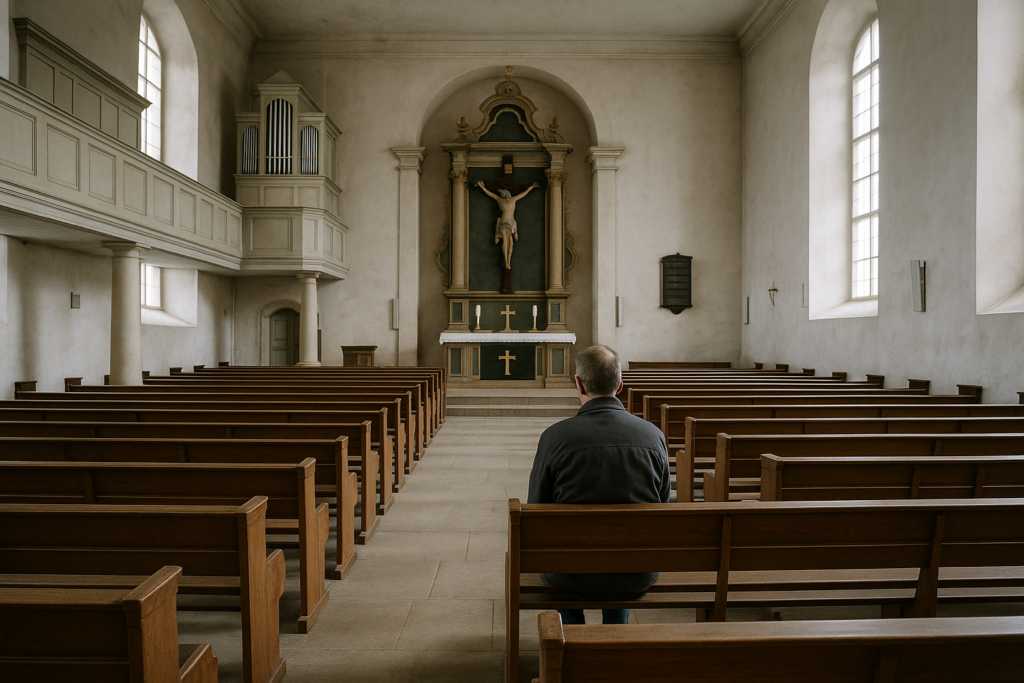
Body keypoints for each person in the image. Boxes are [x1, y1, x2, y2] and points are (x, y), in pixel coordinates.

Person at [527, 345, 671, 625]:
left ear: (578, 384)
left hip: (571, 571)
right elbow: (662, 506)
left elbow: (537, 512)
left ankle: (572, 635)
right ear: (620, 385)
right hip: (637, 571)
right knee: (621, 560)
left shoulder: (555, 437)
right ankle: (615, 632)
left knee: (560, 558)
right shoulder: (654, 436)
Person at [476, 180, 540, 269]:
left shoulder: (500, 200)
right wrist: (531, 187)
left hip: (503, 222)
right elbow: (523, 194)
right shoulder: (513, 200)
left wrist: (481, 186)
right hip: (511, 223)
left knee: (505, 242)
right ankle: (508, 262)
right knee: (510, 242)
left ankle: (506, 261)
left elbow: (489, 193)